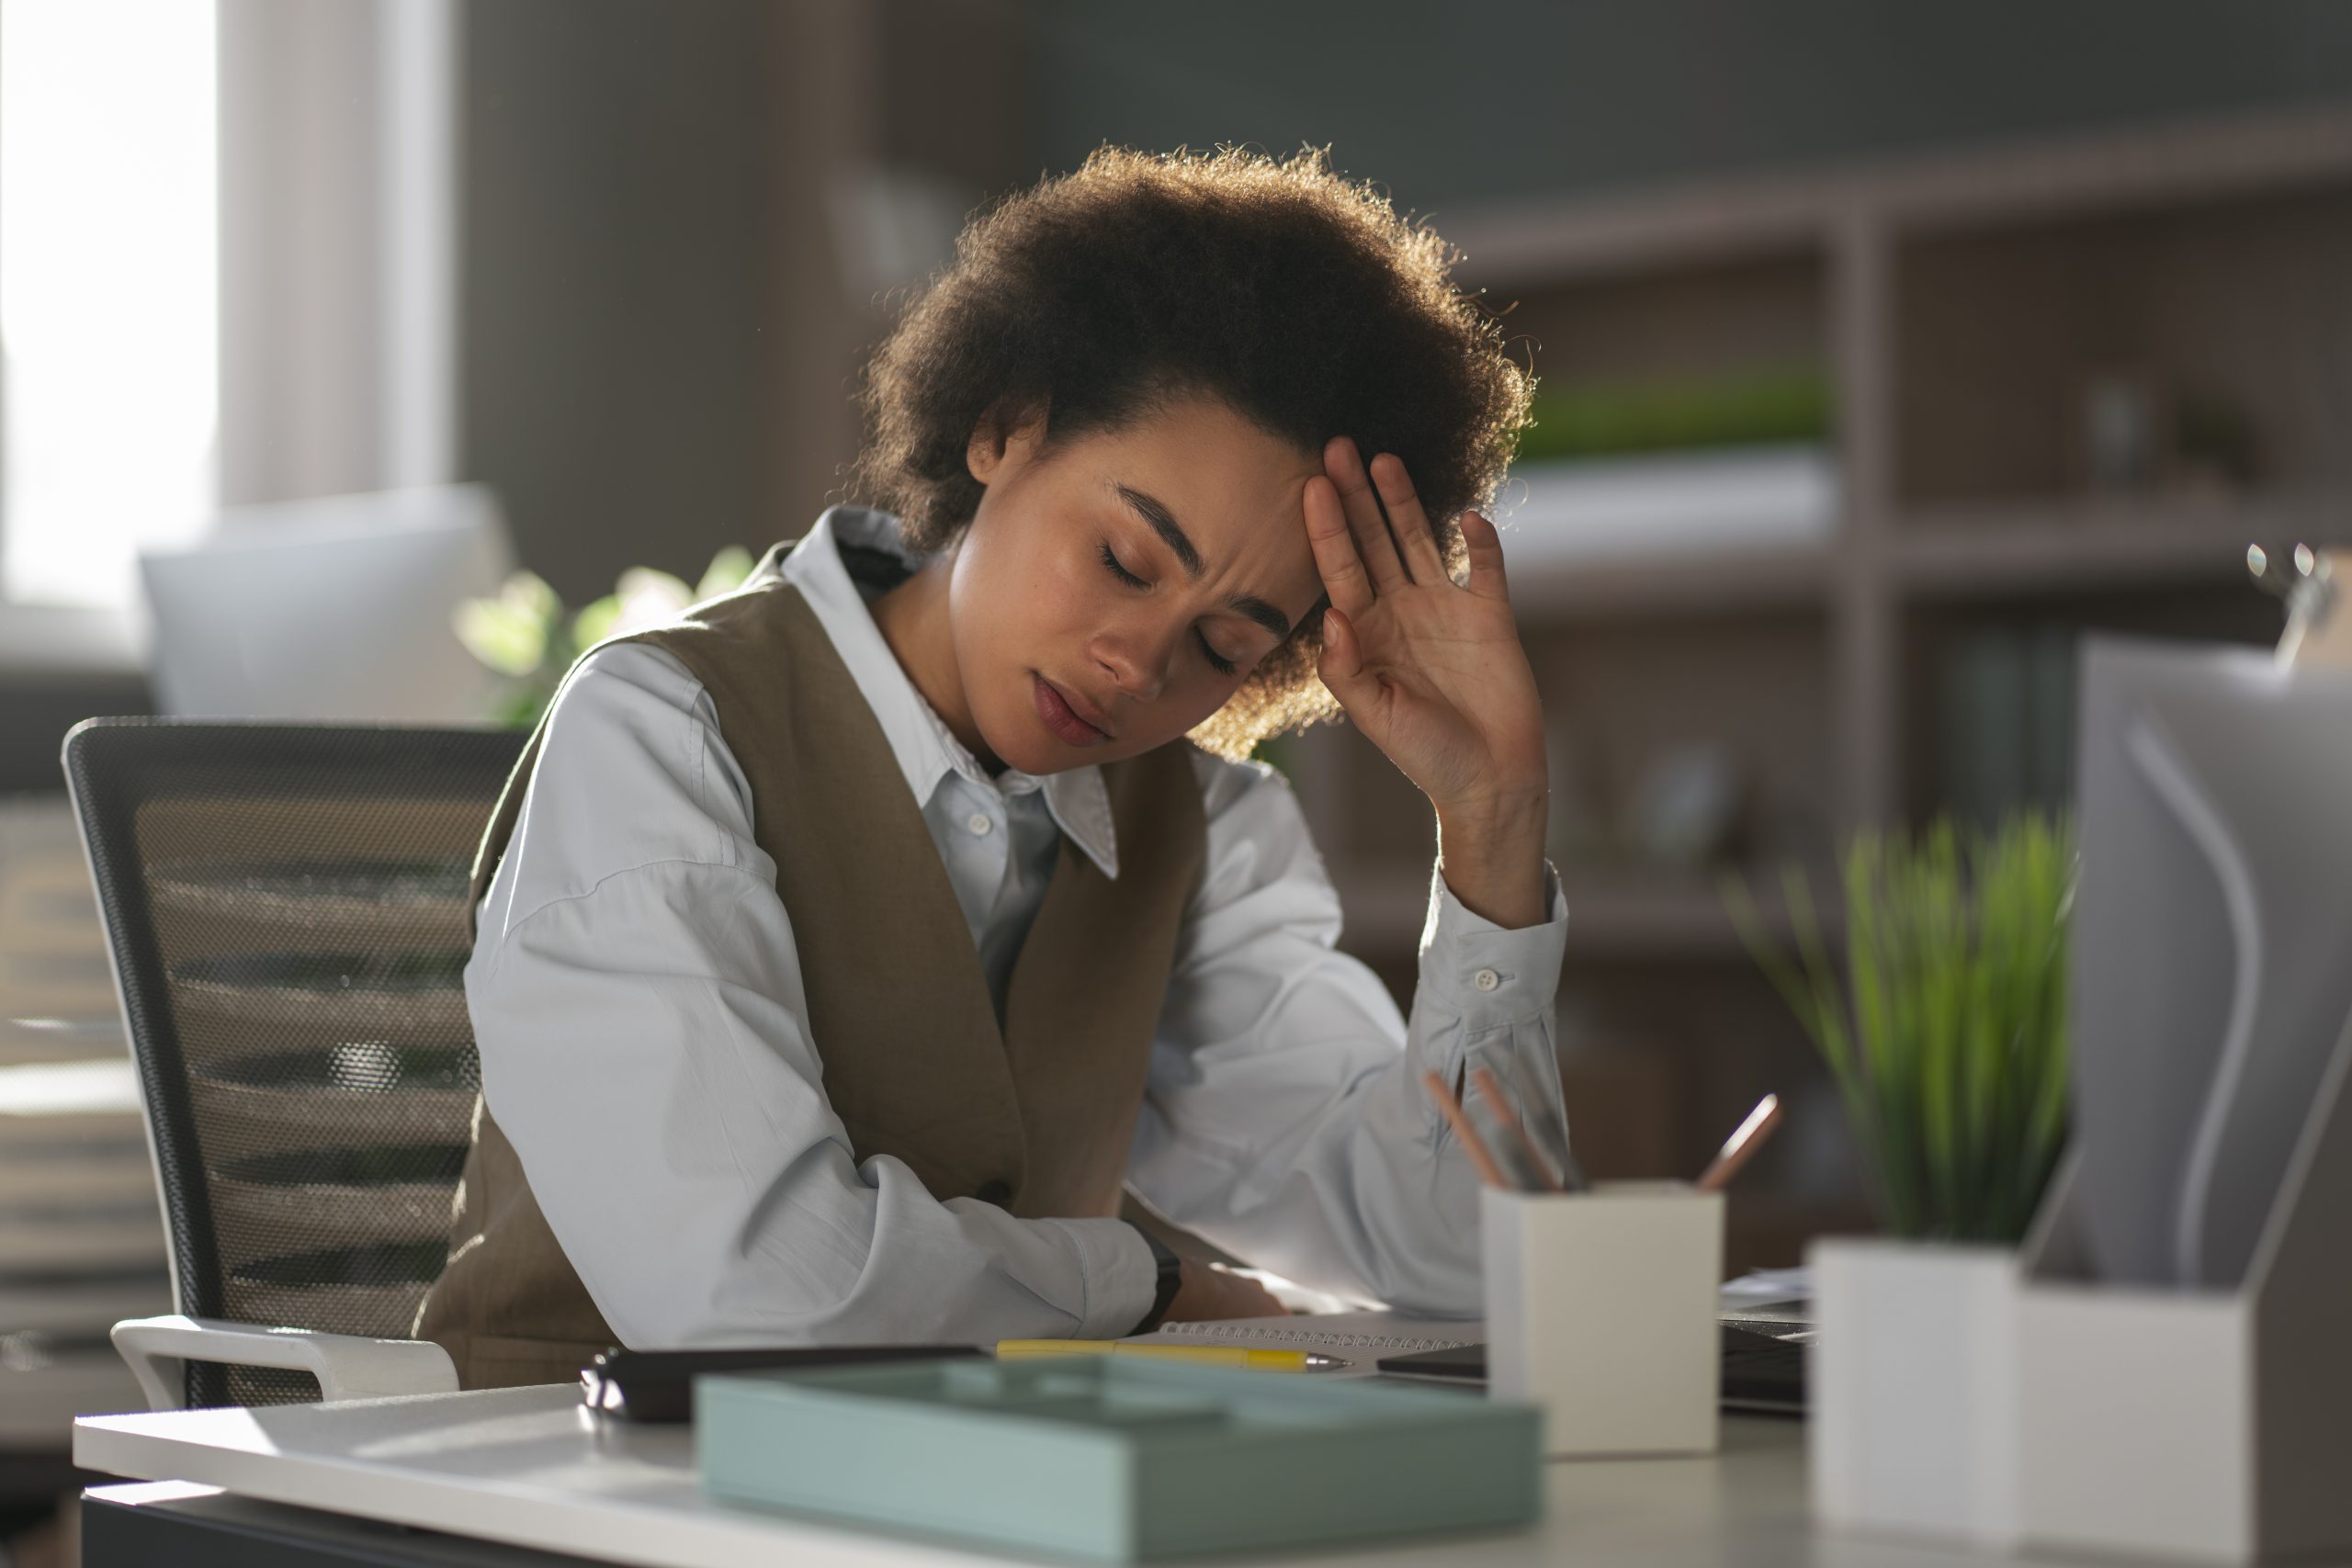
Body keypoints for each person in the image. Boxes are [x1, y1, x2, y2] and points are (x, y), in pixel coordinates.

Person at [415, 146, 1573, 1390]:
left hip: (975, 1500)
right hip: (566, 1488)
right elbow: (757, 1301)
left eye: (1226, 642)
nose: (1138, 664)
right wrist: (1143, 1282)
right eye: (1126, 561)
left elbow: (1461, 1263)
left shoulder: (1207, 829)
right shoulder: (660, 736)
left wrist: (1491, 821)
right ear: (1004, 429)